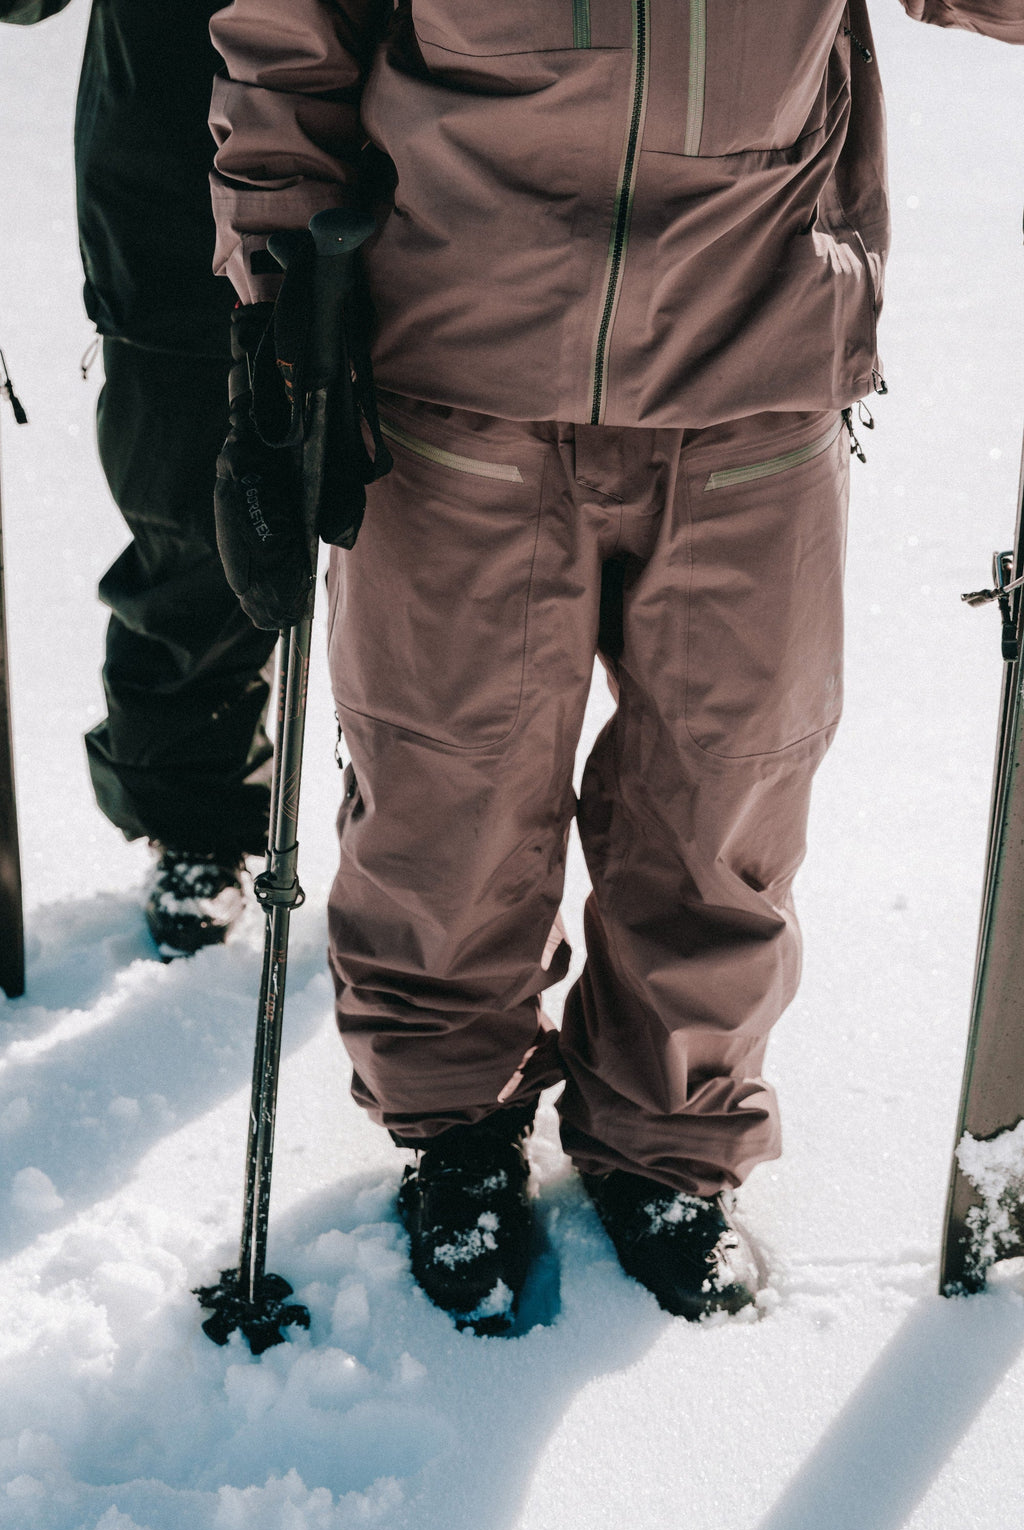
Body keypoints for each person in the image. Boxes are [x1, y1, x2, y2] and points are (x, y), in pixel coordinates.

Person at [206, 0, 1024, 1331]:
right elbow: (287, 30)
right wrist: (277, 306)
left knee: (726, 787)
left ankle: (667, 1141)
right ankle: (456, 1127)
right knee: (444, 787)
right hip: (458, 358)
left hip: (750, 351)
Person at [2, 0, 279, 958]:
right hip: (172, 198)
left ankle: (436, 870)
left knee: (456, 571)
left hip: (451, 178)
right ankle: (197, 823)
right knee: (195, 537)